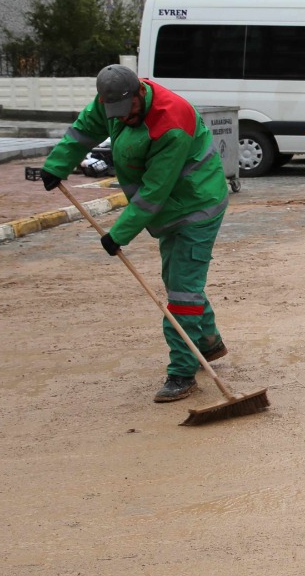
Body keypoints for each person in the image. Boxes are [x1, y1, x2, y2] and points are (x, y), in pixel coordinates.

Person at [38, 64, 230, 403]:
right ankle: (208, 341)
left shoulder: (172, 121)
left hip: (196, 204)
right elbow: (83, 131)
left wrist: (119, 234)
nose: (123, 119)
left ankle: (182, 373)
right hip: (168, 205)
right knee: (180, 279)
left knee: (183, 290)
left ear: (140, 93)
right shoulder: (113, 99)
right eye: (116, 113)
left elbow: (154, 191)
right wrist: (57, 164)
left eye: (129, 112)